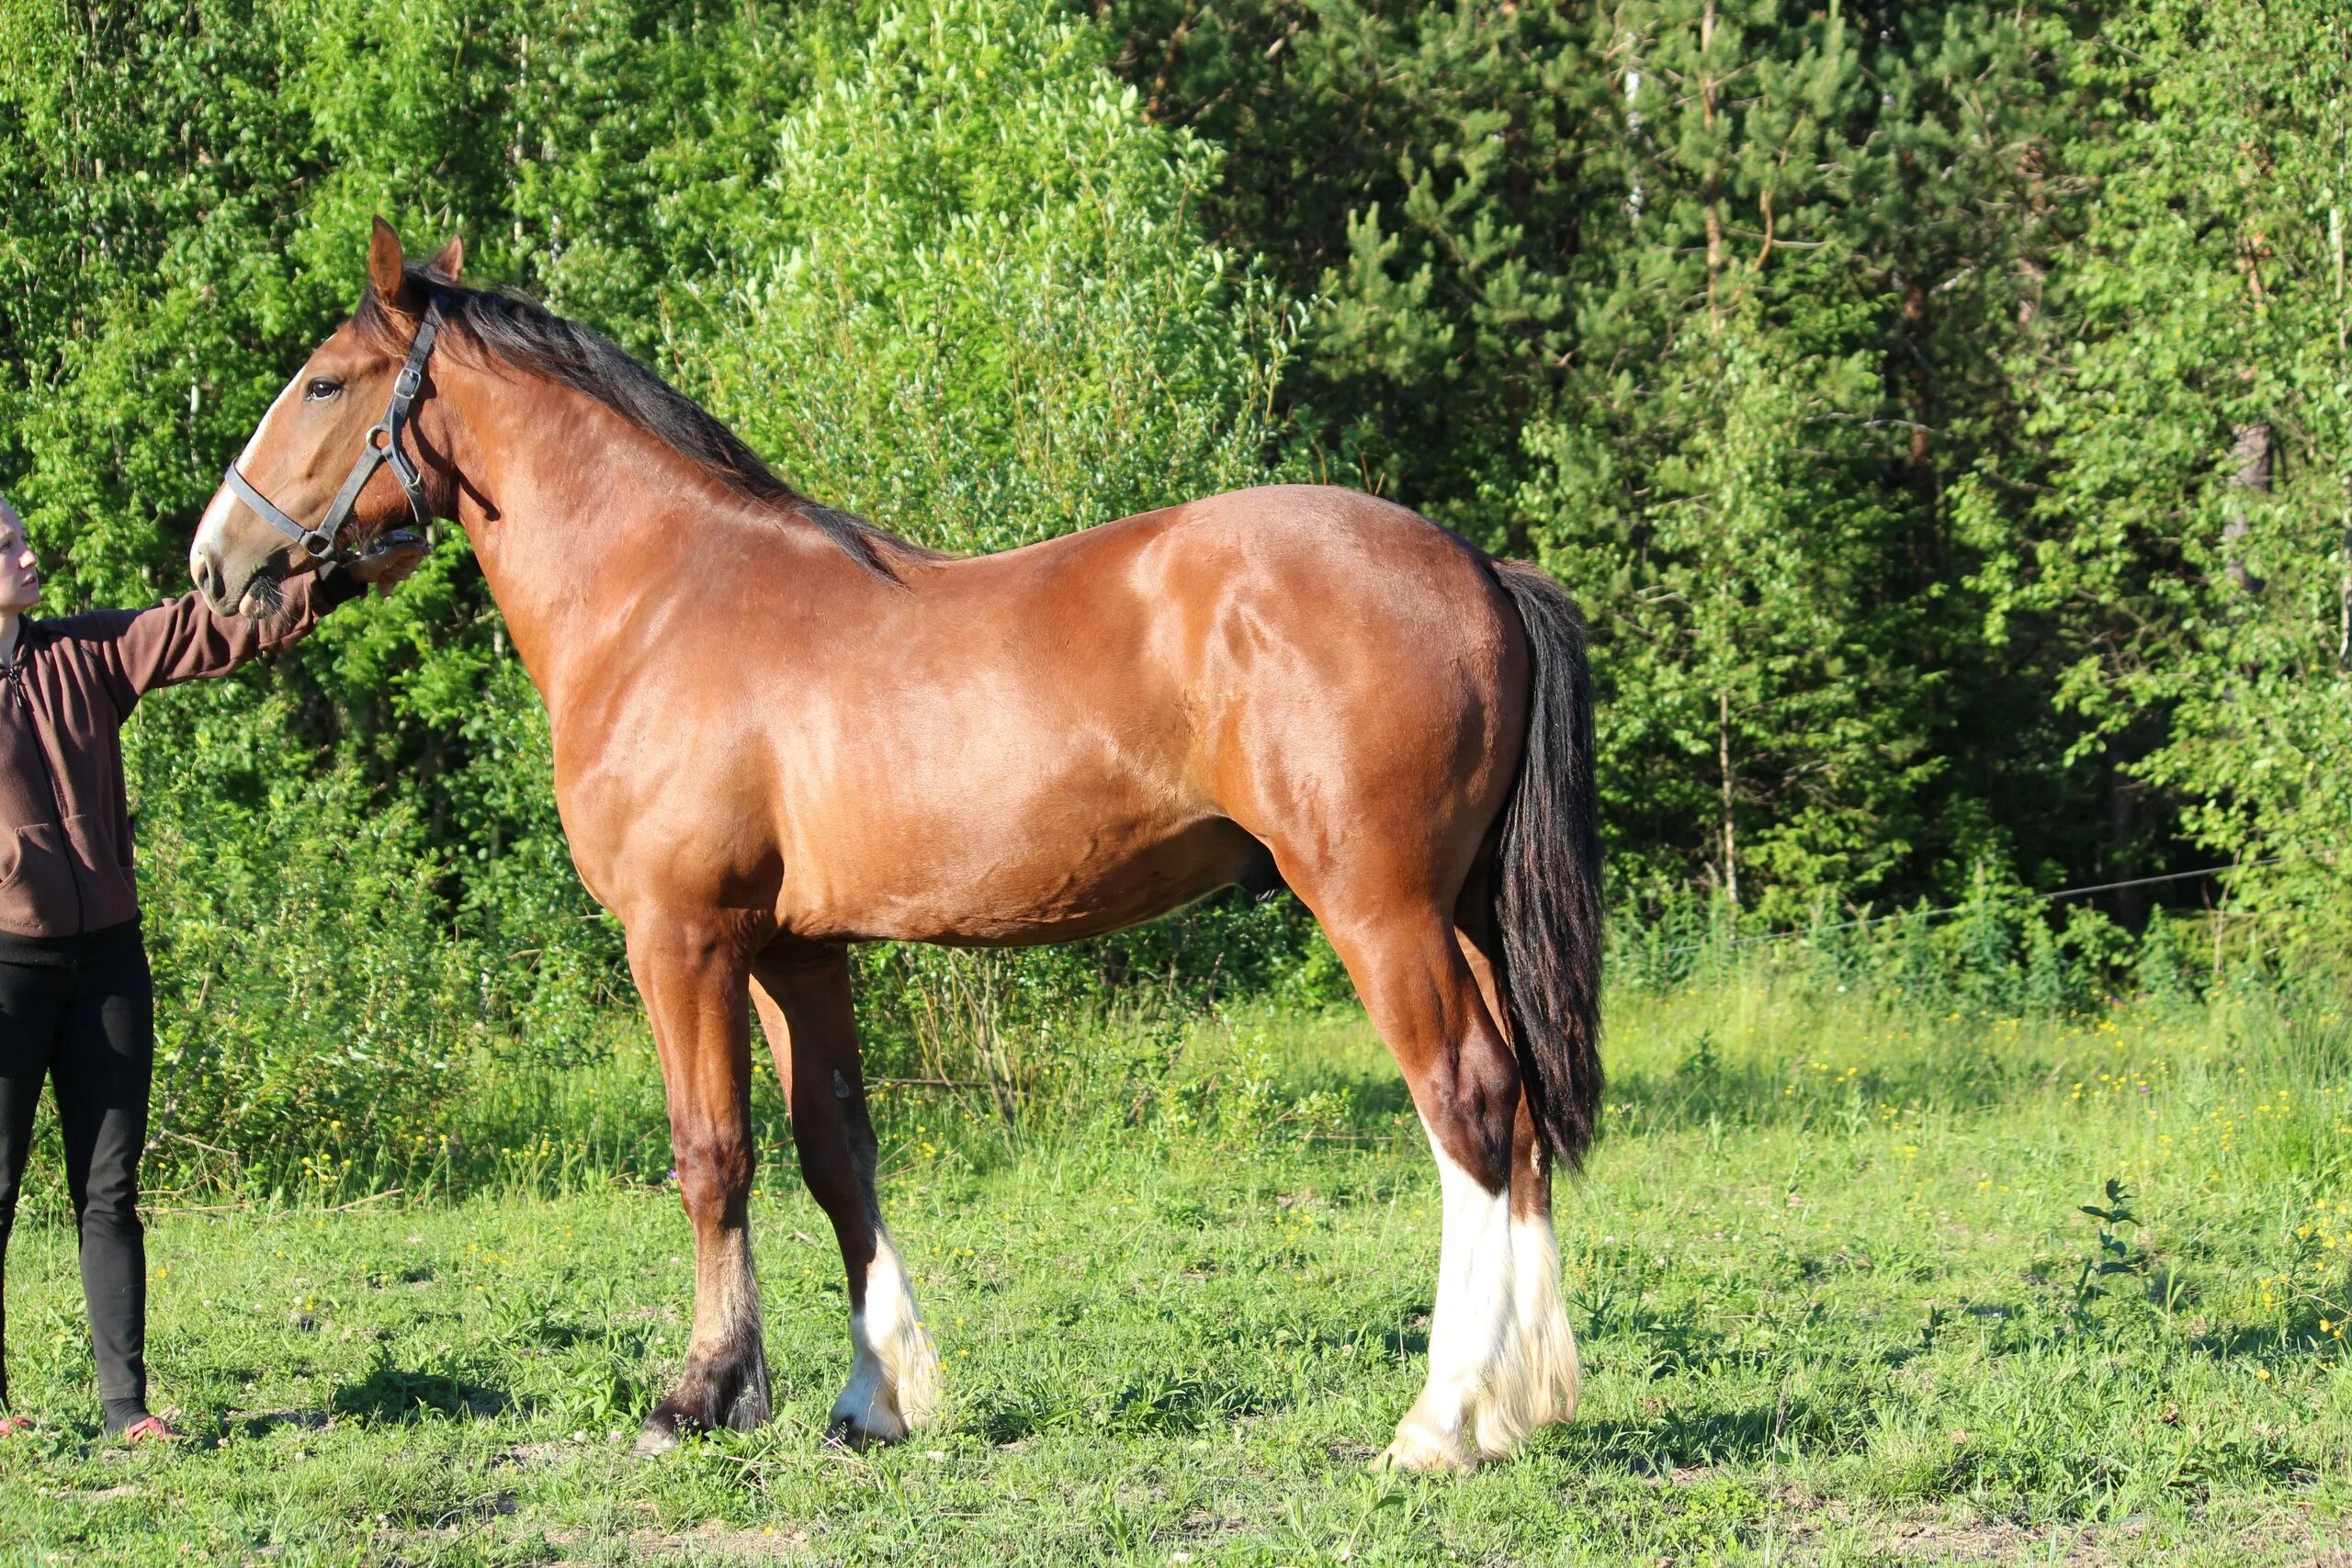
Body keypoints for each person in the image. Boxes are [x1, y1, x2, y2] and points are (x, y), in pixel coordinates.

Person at [0, 494, 420, 1441]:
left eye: (26, 537)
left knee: (108, 1191)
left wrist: (345, 575)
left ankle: (124, 1409)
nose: (30, 556)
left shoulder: (85, 657)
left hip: (106, 963)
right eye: (7, 547)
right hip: (6, 974)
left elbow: (209, 628)